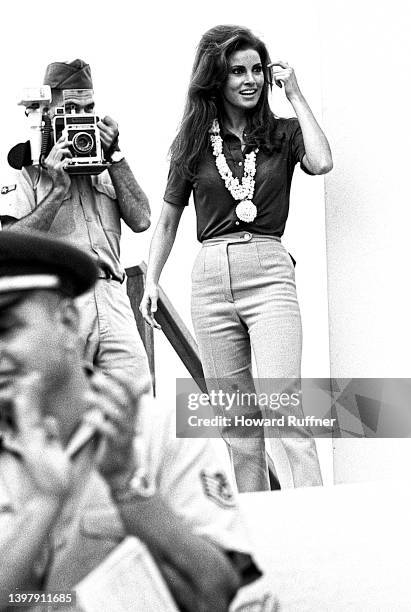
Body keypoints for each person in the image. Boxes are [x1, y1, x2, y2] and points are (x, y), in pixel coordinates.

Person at [0, 231, 243, 612]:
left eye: (6, 328)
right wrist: (45, 505)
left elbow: (217, 595)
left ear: (67, 322)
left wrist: (129, 486)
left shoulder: (158, 428)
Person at [140, 25, 333, 492]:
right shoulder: (192, 142)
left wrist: (296, 95)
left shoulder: (281, 133)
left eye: (256, 70)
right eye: (236, 71)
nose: (249, 80)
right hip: (210, 276)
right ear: (216, 79)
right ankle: (261, 535)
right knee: (239, 426)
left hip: (268, 270)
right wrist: (151, 281)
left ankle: (320, 523)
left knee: (283, 407)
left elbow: (322, 162)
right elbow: (166, 220)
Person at [0, 59, 151, 389]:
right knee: (63, 407)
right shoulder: (26, 166)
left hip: (113, 294)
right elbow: (8, 243)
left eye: (89, 107)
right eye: (70, 108)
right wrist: (56, 190)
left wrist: (116, 156)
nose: (82, 117)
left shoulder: (106, 159)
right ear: (47, 114)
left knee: (136, 402)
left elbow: (142, 219)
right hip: (61, 299)